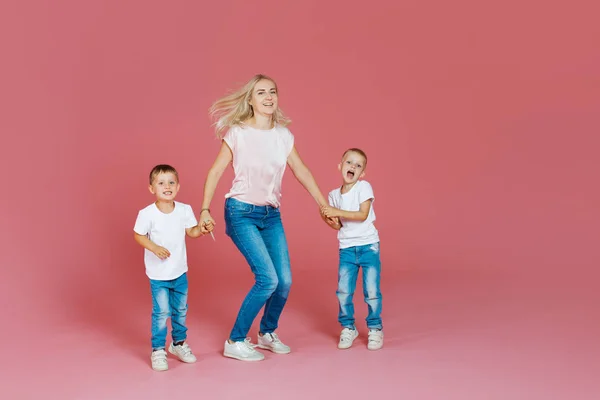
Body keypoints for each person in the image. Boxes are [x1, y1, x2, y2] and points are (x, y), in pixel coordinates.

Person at [199, 74, 329, 361]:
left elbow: (302, 171)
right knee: (267, 279)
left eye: (273, 92)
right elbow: (215, 172)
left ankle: (267, 332)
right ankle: (235, 340)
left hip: (271, 216)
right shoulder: (238, 133)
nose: (269, 97)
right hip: (240, 212)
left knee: (284, 281)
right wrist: (205, 209)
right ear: (251, 100)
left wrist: (323, 206)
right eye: (261, 93)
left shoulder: (283, 136)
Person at [133, 164, 205, 371]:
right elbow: (138, 235)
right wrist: (154, 247)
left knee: (180, 310)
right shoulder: (147, 213)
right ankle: (157, 350)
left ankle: (179, 344)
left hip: (180, 271)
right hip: (158, 275)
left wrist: (202, 228)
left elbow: (191, 232)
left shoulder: (184, 210)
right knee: (161, 312)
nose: (167, 186)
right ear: (151, 188)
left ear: (178, 186)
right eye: (161, 183)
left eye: (171, 182)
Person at [320, 148, 384, 351]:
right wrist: (327, 217)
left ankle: (375, 328)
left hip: (368, 246)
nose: (353, 167)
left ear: (362, 173)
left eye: (358, 166)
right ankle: (348, 327)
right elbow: (338, 225)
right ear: (340, 166)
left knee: (371, 291)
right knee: (343, 291)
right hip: (347, 248)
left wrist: (336, 211)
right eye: (349, 163)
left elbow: (362, 214)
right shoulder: (333, 195)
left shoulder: (363, 187)